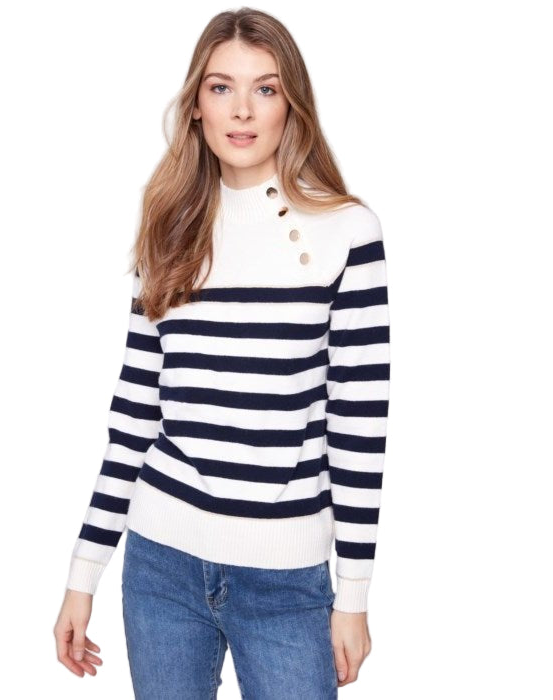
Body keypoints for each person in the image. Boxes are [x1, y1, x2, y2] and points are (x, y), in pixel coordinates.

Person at [54, 8, 390, 698]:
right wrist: (82, 574)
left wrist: (353, 594)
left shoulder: (347, 232)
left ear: (291, 105)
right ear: (196, 106)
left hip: (286, 579)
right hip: (161, 565)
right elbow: (134, 413)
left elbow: (358, 425)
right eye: (221, 87)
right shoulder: (168, 230)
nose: (242, 110)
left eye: (265, 89)